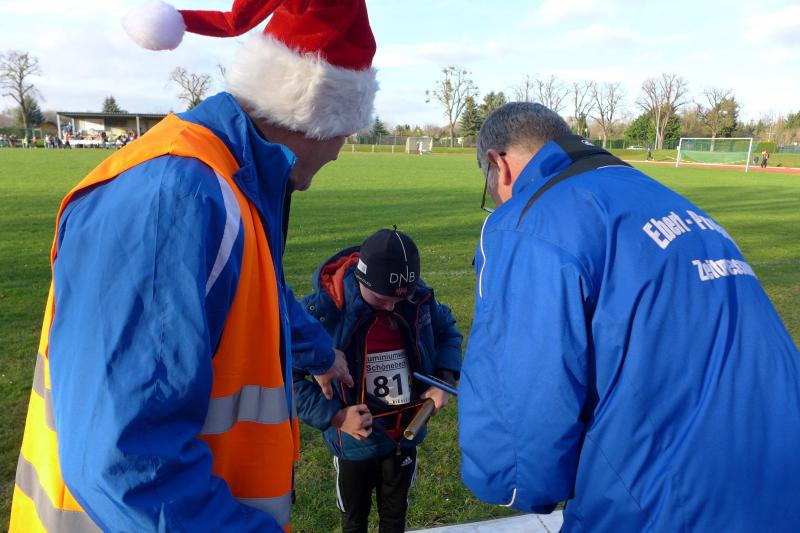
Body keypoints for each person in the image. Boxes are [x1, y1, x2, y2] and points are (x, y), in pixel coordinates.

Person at [9, 1, 378, 531]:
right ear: (320, 118)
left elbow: (256, 293)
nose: (342, 150)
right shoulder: (176, 199)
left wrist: (320, 353)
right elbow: (132, 468)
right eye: (347, 129)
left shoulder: (232, 175)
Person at [459, 102, 800, 532]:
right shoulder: (665, 199)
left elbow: (521, 428)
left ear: (499, 165)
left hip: (672, 502)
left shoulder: (533, 220)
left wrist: (513, 481)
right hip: (780, 472)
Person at [294, 228, 462, 533]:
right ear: (362, 280)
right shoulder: (322, 312)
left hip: (405, 436)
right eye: (382, 299)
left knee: (395, 518)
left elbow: (447, 330)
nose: (391, 307)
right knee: (354, 519)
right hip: (354, 442)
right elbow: (287, 377)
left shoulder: (417, 299)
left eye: (399, 299)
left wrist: (444, 380)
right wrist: (336, 416)